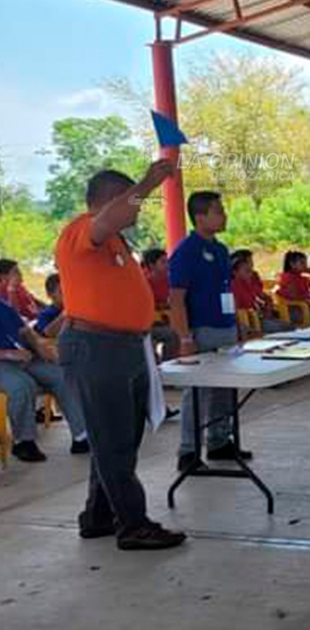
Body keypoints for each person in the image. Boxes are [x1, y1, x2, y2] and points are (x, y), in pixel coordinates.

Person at [56, 161, 187, 549]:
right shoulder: (81, 229)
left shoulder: (114, 243)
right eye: (133, 201)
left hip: (124, 347)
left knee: (117, 439)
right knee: (114, 441)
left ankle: (98, 516)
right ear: (111, 200)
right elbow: (114, 216)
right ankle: (133, 525)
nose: (139, 208)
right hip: (97, 348)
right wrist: (151, 179)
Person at [168, 191, 247, 473]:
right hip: (201, 330)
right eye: (219, 211)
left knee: (225, 389)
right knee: (198, 392)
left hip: (224, 327)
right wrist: (185, 337)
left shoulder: (222, 250)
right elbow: (176, 299)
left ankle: (219, 440)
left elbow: (226, 290)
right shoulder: (186, 252)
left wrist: (235, 324)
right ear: (200, 217)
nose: (224, 215)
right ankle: (188, 451)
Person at [1, 293, 89, 461]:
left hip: (23, 356)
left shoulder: (3, 306)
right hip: (5, 360)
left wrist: (39, 346)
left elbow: (25, 330)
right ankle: (23, 442)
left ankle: (82, 436)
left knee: (61, 375)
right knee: (22, 385)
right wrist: (7, 354)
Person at [230, 252, 291, 335]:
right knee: (279, 329)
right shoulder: (232, 286)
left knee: (287, 326)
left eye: (251, 268)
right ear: (235, 272)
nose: (251, 273)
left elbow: (263, 297)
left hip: (256, 318)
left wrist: (267, 311)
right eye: (247, 270)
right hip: (247, 320)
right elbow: (236, 312)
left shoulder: (250, 281)